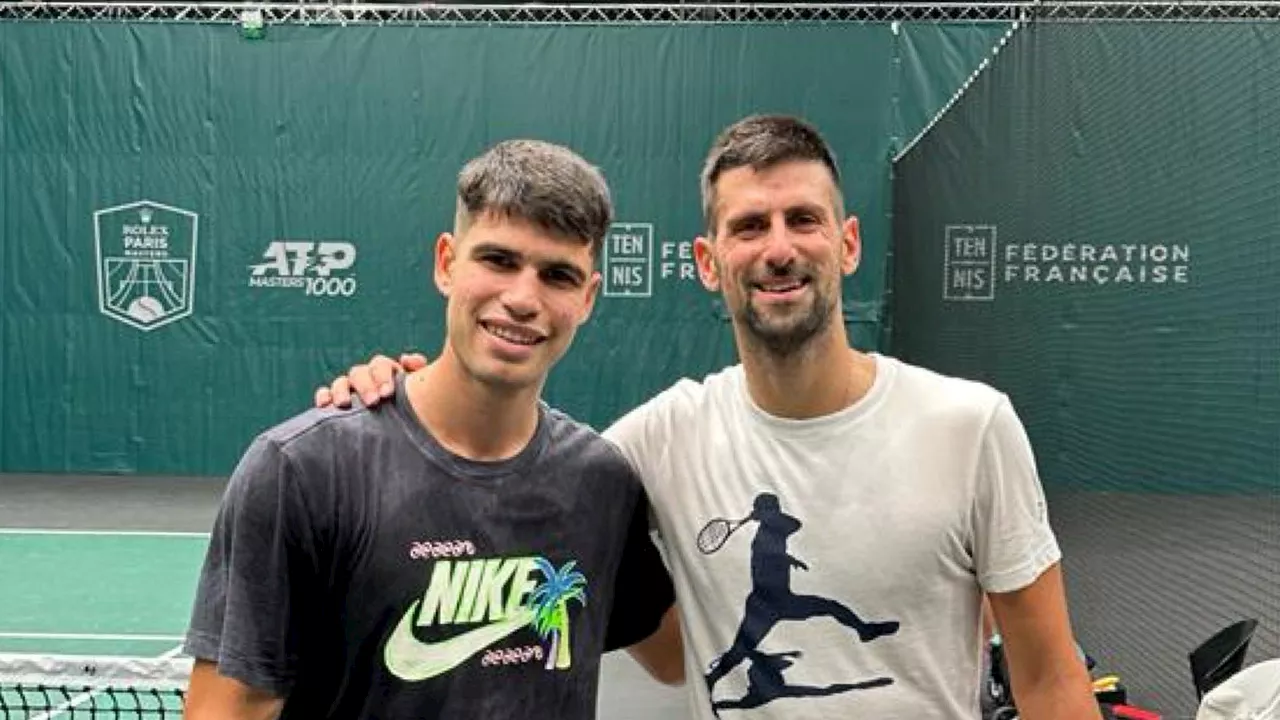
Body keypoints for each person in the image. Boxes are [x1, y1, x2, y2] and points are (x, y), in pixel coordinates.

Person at [315, 115, 1102, 719]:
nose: (779, 248)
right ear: (706, 260)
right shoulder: (656, 442)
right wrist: (394, 397)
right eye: (749, 227)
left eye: (804, 220)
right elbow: (661, 650)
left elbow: (1046, 676)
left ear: (848, 243)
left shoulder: (971, 426)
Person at [183, 139, 684, 720]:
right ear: (447, 262)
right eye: (498, 260)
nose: (523, 298)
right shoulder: (303, 469)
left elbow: (677, 657)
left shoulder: (600, 483)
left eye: (558, 275)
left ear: (588, 298)